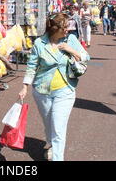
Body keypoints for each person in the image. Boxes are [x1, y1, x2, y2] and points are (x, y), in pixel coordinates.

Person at [18, 13, 84, 161]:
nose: (67, 30)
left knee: (58, 127)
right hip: (42, 90)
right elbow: (32, 66)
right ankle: (51, 144)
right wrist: (25, 86)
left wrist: (71, 50)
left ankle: (57, 157)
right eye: (65, 27)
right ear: (54, 28)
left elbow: (85, 57)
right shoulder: (39, 43)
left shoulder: (70, 39)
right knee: (49, 125)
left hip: (65, 90)